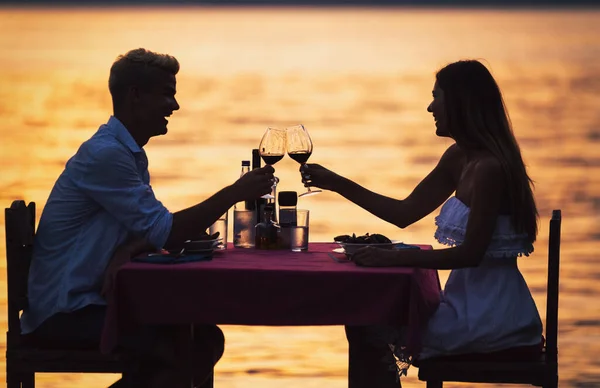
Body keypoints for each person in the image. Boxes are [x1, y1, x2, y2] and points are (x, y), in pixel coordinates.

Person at [20, 48, 275, 388]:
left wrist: (130, 249)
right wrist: (235, 193)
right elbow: (166, 231)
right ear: (135, 95)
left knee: (204, 338)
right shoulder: (107, 155)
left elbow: (150, 230)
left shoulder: (126, 154)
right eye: (167, 94)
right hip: (64, 314)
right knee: (181, 345)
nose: (175, 105)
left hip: (92, 303)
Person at [300, 59, 543, 387]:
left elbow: (469, 255)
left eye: (436, 97)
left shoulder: (489, 168)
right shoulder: (459, 157)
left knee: (366, 320)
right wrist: (337, 183)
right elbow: (404, 213)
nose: (430, 107)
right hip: (462, 303)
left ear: (459, 103)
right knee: (364, 317)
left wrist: (396, 257)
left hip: (492, 317)